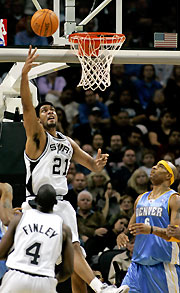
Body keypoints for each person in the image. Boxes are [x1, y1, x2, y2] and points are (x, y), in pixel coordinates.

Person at [20, 46, 129, 293]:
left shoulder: (67, 142)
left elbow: (90, 164)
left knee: (74, 254)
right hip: (38, 205)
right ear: (38, 120)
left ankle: (99, 288)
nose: (50, 112)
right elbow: (27, 108)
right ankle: (100, 288)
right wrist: (25, 77)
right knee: (42, 267)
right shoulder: (37, 137)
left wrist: (97, 164)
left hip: (62, 204)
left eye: (52, 110)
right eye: (44, 110)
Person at [117, 160, 180, 292]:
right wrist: (123, 235)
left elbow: (177, 234)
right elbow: (132, 227)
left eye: (160, 166)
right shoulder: (140, 198)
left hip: (163, 265)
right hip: (137, 264)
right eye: (155, 165)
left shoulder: (174, 199)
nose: (153, 167)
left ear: (169, 175)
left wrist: (151, 230)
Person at [0, 184, 74, 293]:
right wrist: (54, 280)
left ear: (36, 201)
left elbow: (1, 253)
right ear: (55, 204)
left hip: (17, 276)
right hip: (45, 280)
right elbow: (68, 270)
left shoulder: (20, 218)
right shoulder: (63, 228)